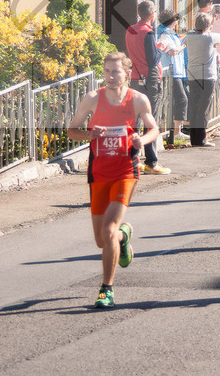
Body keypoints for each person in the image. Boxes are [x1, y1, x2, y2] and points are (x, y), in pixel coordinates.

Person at [67, 52, 159, 309]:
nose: (110, 76)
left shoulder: (138, 100)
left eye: (115, 71)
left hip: (125, 171)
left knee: (107, 230)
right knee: (102, 240)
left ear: (127, 73)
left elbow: (153, 128)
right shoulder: (93, 99)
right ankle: (124, 235)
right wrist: (89, 134)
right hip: (99, 172)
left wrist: (144, 140)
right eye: (106, 71)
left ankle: (106, 290)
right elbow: (71, 131)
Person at [124, 0, 169, 174]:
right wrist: (161, 48)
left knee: (135, 120)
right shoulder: (148, 33)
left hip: (136, 77)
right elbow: (152, 60)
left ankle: (133, 159)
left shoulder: (130, 30)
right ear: (152, 15)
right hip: (151, 79)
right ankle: (152, 161)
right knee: (151, 119)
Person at [185, 12, 220, 147]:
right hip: (207, 76)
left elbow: (195, 31)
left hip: (193, 75)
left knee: (194, 106)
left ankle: (194, 139)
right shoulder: (210, 38)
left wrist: (208, 22)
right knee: (204, 107)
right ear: (209, 26)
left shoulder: (189, 37)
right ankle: (201, 139)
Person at [156, 9, 188, 145]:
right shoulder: (164, 34)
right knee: (181, 99)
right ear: (172, 21)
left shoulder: (168, 33)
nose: (177, 22)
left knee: (175, 100)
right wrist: (183, 47)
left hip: (175, 71)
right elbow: (172, 51)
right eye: (176, 20)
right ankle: (176, 132)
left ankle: (174, 130)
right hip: (171, 73)